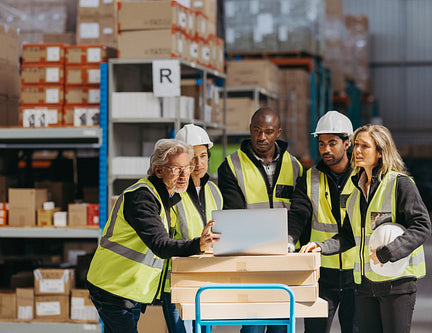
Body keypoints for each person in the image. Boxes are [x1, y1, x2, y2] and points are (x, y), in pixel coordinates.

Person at [300, 124, 432, 333]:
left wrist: (389, 252)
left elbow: (422, 226)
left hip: (396, 285)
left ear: (380, 152)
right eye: (357, 145)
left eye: (365, 146)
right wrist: (320, 246)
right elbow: (347, 236)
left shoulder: (399, 184)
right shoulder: (356, 192)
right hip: (364, 286)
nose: (357, 151)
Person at [86, 139, 220, 333]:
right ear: (158, 171)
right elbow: (161, 245)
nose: (184, 175)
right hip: (113, 287)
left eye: (187, 168)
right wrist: (198, 244)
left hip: (130, 288)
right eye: (175, 169)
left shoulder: (166, 197)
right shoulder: (141, 198)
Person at [217, 106, 303, 333]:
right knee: (253, 325)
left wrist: (290, 242)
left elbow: (299, 211)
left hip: (285, 258)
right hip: (250, 258)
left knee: (281, 325)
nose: (261, 137)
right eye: (256, 130)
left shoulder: (294, 166)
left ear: (278, 133)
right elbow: (233, 215)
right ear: (250, 130)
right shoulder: (231, 166)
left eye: (268, 131)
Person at [287, 110, 356, 333]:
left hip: (357, 273)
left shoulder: (364, 177)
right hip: (321, 274)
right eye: (322, 143)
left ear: (347, 143)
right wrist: (289, 240)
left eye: (332, 143)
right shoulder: (309, 178)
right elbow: (298, 214)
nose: (325, 149)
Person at [161, 124, 223, 332]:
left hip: (207, 278)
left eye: (203, 155)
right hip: (177, 280)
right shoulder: (171, 192)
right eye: (192, 157)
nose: (198, 163)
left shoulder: (214, 191)